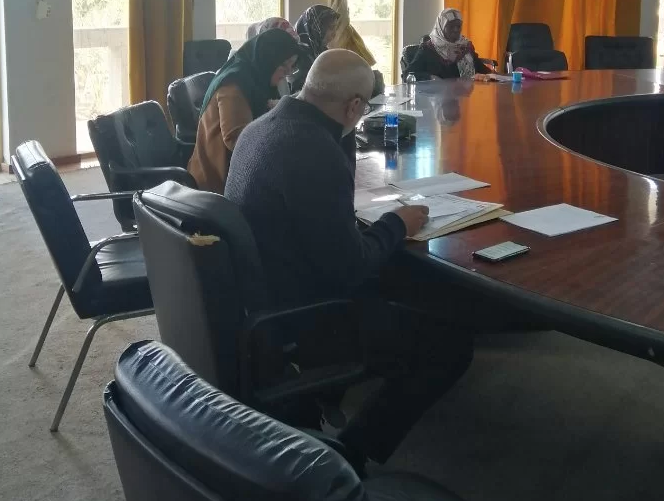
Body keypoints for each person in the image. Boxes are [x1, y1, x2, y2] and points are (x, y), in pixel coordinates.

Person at [225, 48, 474, 464]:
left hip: (263, 296)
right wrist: (396, 223)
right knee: (449, 345)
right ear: (355, 105)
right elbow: (349, 269)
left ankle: (328, 394)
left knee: (401, 280)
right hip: (304, 316)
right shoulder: (314, 151)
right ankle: (352, 456)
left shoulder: (261, 127)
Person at [187, 28, 298, 192]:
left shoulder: (258, 79)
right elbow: (238, 139)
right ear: (267, 59)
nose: (288, 72)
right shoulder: (234, 84)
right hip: (219, 182)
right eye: (283, 65)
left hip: (241, 169)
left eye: (292, 66)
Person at [402, 8, 492, 80]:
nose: (456, 30)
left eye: (458, 26)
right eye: (451, 26)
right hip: (440, 95)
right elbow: (407, 74)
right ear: (441, 28)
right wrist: (430, 77)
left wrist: (493, 75)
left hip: (469, 94)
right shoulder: (428, 49)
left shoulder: (465, 46)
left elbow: (479, 67)